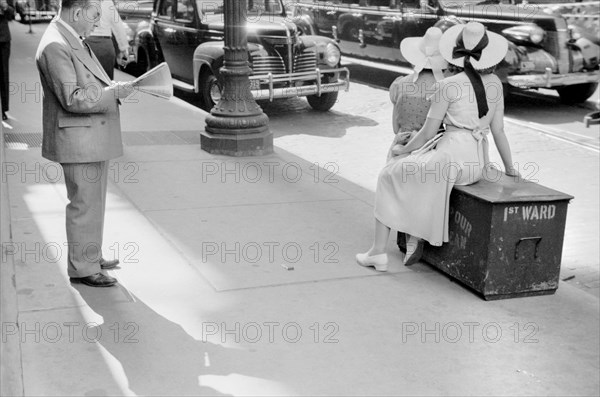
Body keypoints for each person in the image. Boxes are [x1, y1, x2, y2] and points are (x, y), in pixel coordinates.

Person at [357, 22, 520, 272]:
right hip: (477, 164)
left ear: (455, 52)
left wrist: (402, 150)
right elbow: (498, 131)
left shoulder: (446, 86)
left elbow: (426, 133)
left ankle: (378, 251)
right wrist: (510, 168)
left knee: (388, 175)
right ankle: (411, 236)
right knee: (412, 173)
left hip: (450, 160)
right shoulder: (496, 83)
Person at [36, 0, 134, 287]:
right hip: (79, 138)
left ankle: (90, 256)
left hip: (87, 136)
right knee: (84, 204)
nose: (96, 24)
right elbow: (74, 98)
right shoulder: (56, 44)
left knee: (94, 202)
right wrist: (113, 93)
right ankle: (82, 268)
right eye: (93, 17)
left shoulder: (67, 37)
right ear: (77, 13)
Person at [388, 27, 447, 160]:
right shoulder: (444, 89)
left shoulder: (399, 84)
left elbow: (395, 128)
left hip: (399, 151)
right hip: (429, 152)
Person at [84, 0, 128, 79]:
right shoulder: (108, 2)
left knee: (87, 79)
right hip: (105, 46)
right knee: (106, 81)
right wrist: (123, 48)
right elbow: (118, 26)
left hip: (87, 43)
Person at [0, 0, 15, 121]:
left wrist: (5, 6)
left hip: (3, 41)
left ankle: (3, 109)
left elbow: (12, 15)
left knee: (4, 75)